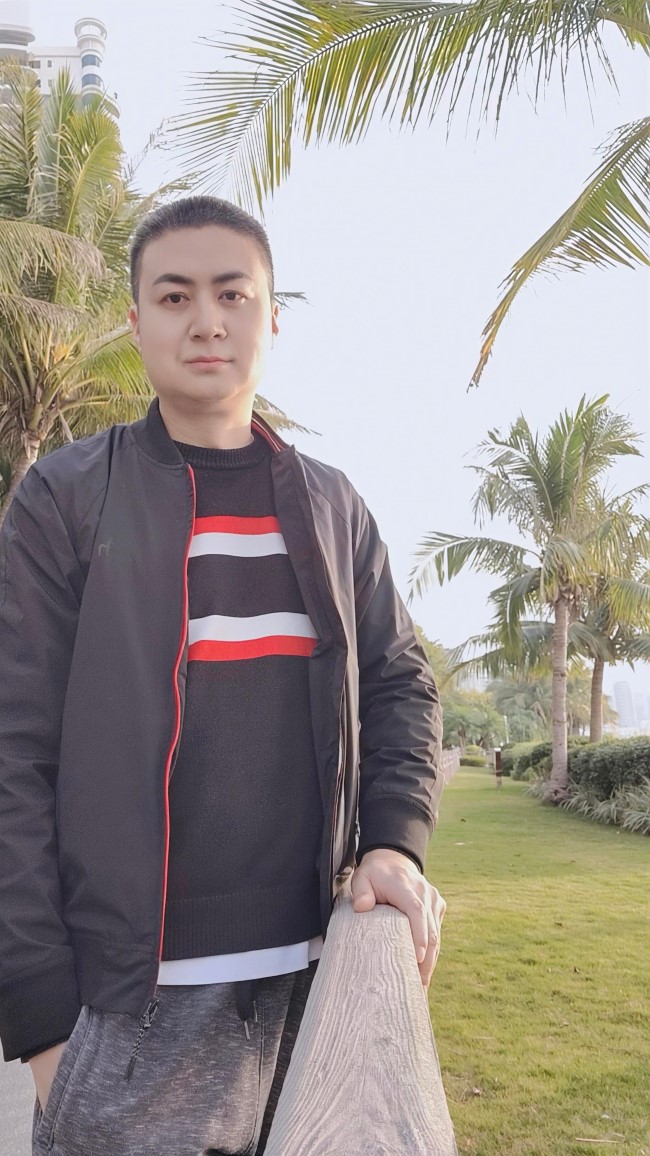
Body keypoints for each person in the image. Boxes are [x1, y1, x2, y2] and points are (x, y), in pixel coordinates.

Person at [0, 196, 446, 1156]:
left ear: (271, 318)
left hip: (305, 991)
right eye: (175, 296)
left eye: (232, 294)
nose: (206, 321)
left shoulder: (332, 507)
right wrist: (42, 1027)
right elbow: (12, 749)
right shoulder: (66, 500)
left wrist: (394, 844)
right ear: (137, 322)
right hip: (126, 1016)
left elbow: (400, 683)